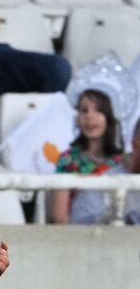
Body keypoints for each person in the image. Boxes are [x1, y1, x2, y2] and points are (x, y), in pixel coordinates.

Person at [48, 88, 140, 223]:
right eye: (84, 111)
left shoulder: (123, 160)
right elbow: (59, 216)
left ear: (108, 117)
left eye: (98, 110)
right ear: (77, 118)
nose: (89, 117)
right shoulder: (68, 160)